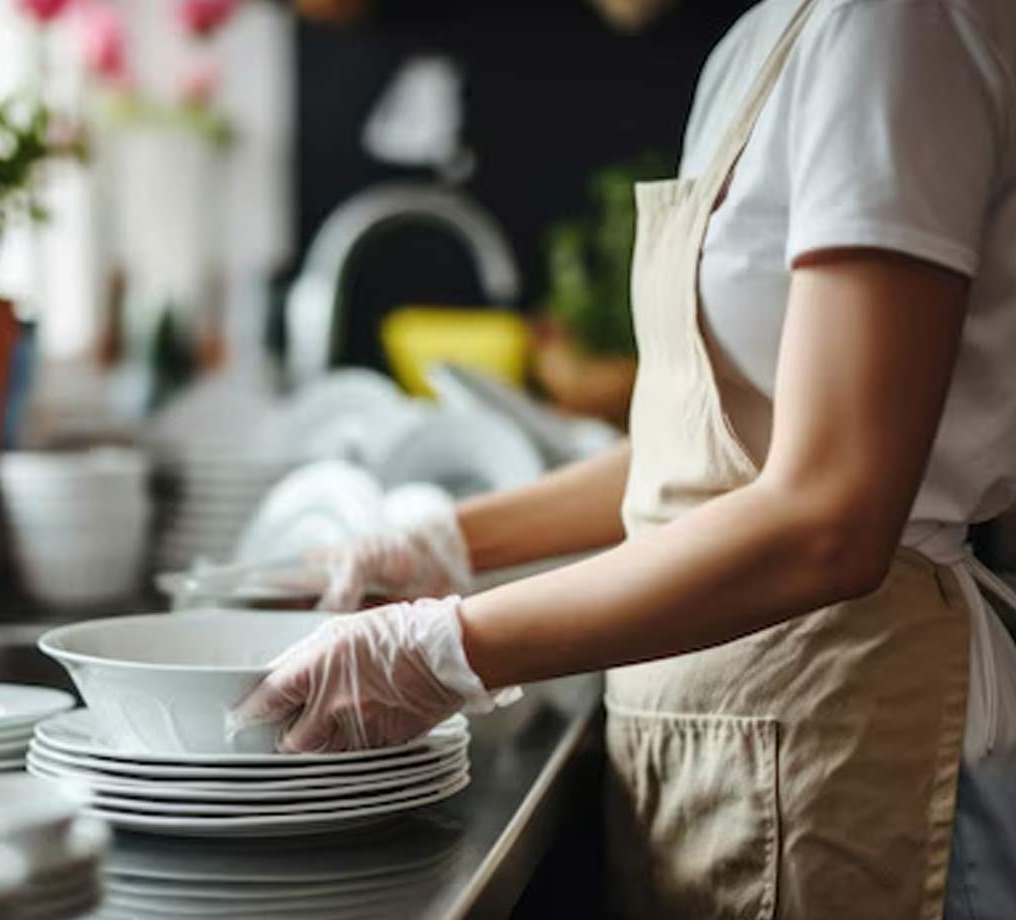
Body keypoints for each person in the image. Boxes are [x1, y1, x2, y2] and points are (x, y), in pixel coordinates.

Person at [231, 0, 1016, 917]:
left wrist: (445, 649)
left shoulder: (899, 23)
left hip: (856, 747)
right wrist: (434, 544)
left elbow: (831, 515)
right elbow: (709, 447)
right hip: (730, 752)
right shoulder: (760, 41)